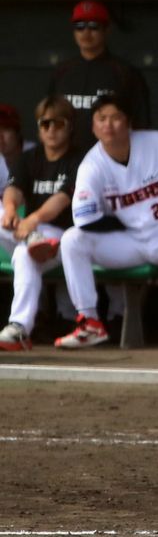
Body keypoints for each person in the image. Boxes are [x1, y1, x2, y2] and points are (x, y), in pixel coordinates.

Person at [54, 93, 158, 349]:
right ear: (93, 126)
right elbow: (85, 220)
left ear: (128, 122)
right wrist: (125, 224)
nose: (108, 124)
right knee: (72, 239)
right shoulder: (91, 165)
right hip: (129, 241)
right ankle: (89, 322)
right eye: (101, 118)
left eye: (115, 117)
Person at [0, 96, 82, 350]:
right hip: (30, 234)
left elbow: (62, 199)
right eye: (45, 124)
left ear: (70, 126)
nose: (51, 130)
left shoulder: (79, 159)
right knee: (23, 247)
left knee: (24, 254)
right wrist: (10, 210)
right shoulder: (30, 157)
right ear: (38, 128)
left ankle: (19, 327)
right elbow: (14, 189)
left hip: (66, 238)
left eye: (58, 124)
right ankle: (30, 239)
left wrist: (32, 220)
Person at [48, 0, 150, 153]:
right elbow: (49, 117)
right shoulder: (61, 71)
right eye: (80, 26)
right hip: (66, 159)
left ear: (107, 30)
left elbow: (141, 123)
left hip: (111, 157)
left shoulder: (125, 72)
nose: (86, 33)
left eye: (94, 26)